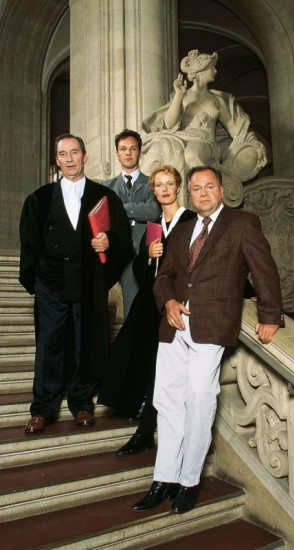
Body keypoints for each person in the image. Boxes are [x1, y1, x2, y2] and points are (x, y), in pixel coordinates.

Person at [132, 166, 284, 515]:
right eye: (196, 188)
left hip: (211, 325)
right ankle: (163, 479)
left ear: (221, 190)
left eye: (209, 186)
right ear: (191, 193)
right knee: (167, 403)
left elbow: (264, 269)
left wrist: (270, 315)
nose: (202, 193)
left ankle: (188, 482)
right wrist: (168, 302)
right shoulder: (183, 229)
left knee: (200, 399)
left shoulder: (242, 223)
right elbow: (164, 277)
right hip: (173, 326)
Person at [19, 134, 133, 433]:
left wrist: (109, 241)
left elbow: (124, 237)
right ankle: (42, 408)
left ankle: (82, 403)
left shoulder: (104, 197)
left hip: (87, 284)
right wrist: (38, 279)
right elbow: (29, 242)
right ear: (56, 160)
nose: (69, 159)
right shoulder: (40, 198)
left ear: (85, 156)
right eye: (63, 154)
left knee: (86, 344)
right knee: (49, 346)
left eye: (74, 152)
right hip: (51, 285)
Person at [98, 165, 196, 452]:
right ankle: (142, 409)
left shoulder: (190, 220)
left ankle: (146, 427)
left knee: (163, 367)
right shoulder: (153, 226)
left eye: (169, 184)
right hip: (149, 302)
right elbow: (140, 270)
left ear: (178, 187)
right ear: (153, 190)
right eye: (159, 185)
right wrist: (149, 255)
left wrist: (250, 292)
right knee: (132, 355)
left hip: (176, 303)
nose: (164, 189)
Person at [141, 50, 267, 205]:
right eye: (212, 67)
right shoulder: (183, 96)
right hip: (179, 138)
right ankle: (145, 199)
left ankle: (192, 204)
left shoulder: (217, 100)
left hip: (206, 143)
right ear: (202, 72)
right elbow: (169, 125)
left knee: (192, 154)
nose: (215, 71)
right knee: (158, 149)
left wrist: (252, 144)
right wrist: (179, 96)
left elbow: (236, 131)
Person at [103, 129, 160, 316]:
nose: (128, 153)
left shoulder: (153, 183)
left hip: (143, 249)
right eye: (123, 149)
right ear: (117, 154)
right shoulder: (106, 187)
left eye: (133, 148)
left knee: (141, 306)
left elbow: (154, 211)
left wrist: (119, 208)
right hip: (115, 250)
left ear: (140, 153)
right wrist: (137, 211)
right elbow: (105, 218)